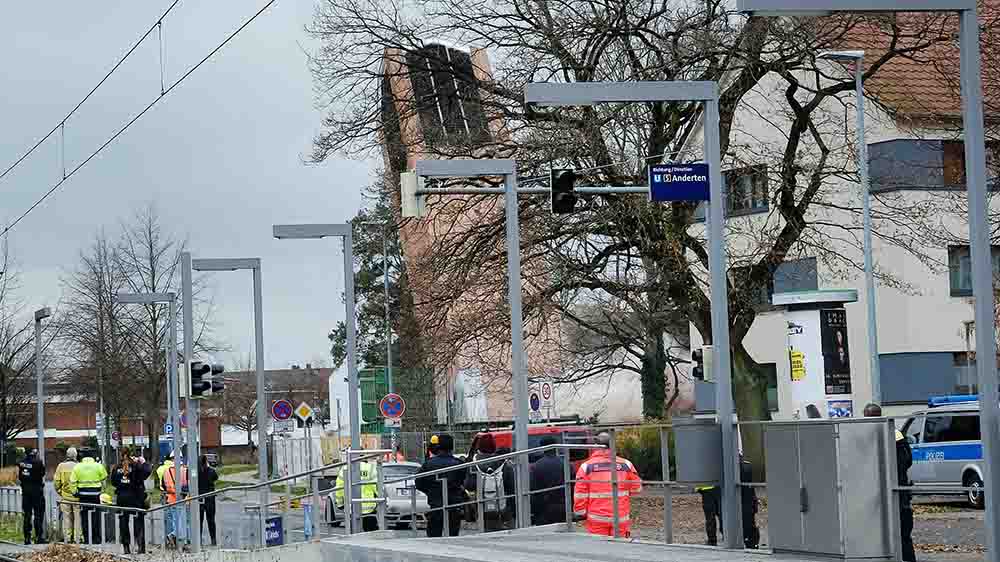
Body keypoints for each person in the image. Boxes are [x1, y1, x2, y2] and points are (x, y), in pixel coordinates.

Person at [864, 403, 915, 562]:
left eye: (869, 417)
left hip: (894, 492)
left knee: (901, 532)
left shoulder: (894, 435)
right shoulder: (891, 434)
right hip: (888, 492)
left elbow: (904, 462)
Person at [573, 432, 642, 537]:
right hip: (620, 517)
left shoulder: (586, 466)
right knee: (620, 545)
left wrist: (580, 512)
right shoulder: (626, 465)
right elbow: (637, 489)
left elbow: (580, 494)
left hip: (596, 518)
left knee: (599, 546)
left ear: (596, 446)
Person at [415, 434, 466, 537]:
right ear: (452, 447)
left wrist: (430, 491)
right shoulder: (459, 464)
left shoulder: (428, 464)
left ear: (438, 447)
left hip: (435, 504)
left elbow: (419, 483)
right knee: (453, 536)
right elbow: (463, 481)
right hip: (454, 504)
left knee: (433, 535)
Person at [464, 434, 514, 531]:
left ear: (479, 448)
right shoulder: (503, 463)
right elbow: (512, 486)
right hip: (503, 508)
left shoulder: (473, 464)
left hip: (482, 506)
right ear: (494, 447)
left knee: (486, 530)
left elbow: (469, 485)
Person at [110, 450, 151, 554]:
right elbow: (146, 473)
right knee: (139, 521)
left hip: (122, 497)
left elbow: (113, 482)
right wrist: (143, 462)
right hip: (136, 497)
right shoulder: (136, 466)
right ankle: (140, 546)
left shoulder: (116, 467)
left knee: (123, 522)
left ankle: (126, 547)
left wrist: (123, 484)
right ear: (132, 456)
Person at [71, 453, 108, 544]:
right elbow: (104, 477)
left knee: (84, 517)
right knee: (96, 516)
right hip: (95, 495)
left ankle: (87, 538)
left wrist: (75, 492)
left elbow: (72, 481)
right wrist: (102, 490)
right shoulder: (98, 466)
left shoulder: (77, 467)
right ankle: (96, 538)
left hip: (83, 495)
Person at [530, 436, 566, 526]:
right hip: (563, 506)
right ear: (555, 447)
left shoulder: (536, 466)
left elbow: (533, 489)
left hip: (543, 508)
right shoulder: (565, 463)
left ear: (542, 448)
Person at [335, 459, 380, 532]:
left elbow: (339, 488)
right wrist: (380, 500)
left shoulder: (345, 468)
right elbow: (377, 486)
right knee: (371, 533)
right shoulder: (370, 468)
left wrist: (340, 503)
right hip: (369, 507)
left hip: (352, 507)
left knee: (354, 532)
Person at [157, 451, 188, 549]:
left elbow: (164, 485)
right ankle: (176, 538)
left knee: (175, 521)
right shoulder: (185, 470)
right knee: (182, 521)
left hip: (170, 498)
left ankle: (175, 540)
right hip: (182, 498)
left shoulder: (166, 471)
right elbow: (187, 485)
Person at [18, 449, 46, 545]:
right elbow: (42, 473)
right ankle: (38, 537)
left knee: (27, 515)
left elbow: (20, 477)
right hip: (37, 491)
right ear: (34, 454)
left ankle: (27, 538)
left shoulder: (22, 463)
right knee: (38, 514)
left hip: (26, 492)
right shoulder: (38, 462)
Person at [54, 447, 82, 544]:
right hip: (77, 498)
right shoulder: (79, 466)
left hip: (65, 497)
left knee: (66, 518)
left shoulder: (61, 466)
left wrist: (60, 492)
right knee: (78, 518)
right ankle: (77, 538)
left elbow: (56, 482)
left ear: (67, 455)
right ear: (76, 455)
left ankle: (67, 538)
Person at [198, 454, 220, 546]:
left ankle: (198, 540)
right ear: (206, 461)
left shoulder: (196, 472)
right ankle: (213, 540)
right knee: (211, 520)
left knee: (199, 521)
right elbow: (216, 477)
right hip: (210, 498)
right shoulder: (211, 471)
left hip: (199, 498)